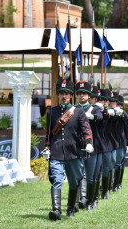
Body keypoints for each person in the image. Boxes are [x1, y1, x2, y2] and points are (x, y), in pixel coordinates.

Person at [45, 79, 94, 221]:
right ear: (58, 95)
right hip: (57, 152)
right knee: (57, 180)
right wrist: (47, 147)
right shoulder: (52, 112)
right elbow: (49, 134)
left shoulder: (78, 112)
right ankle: (56, 210)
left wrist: (89, 143)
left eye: (66, 93)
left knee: (74, 182)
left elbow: (86, 129)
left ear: (71, 96)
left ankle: (71, 208)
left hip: (74, 152)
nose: (64, 96)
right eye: (61, 93)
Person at [76, 81, 103, 211]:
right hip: (77, 146)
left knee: (91, 175)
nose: (82, 96)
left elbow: (99, 117)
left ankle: (90, 201)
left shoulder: (95, 108)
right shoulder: (74, 109)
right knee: (78, 175)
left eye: (84, 94)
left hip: (92, 146)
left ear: (88, 96)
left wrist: (91, 116)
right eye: (80, 93)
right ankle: (80, 200)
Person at [113, 95, 128, 192]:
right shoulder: (110, 113)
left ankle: (117, 183)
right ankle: (112, 183)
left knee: (119, 163)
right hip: (111, 141)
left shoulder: (123, 114)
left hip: (121, 142)